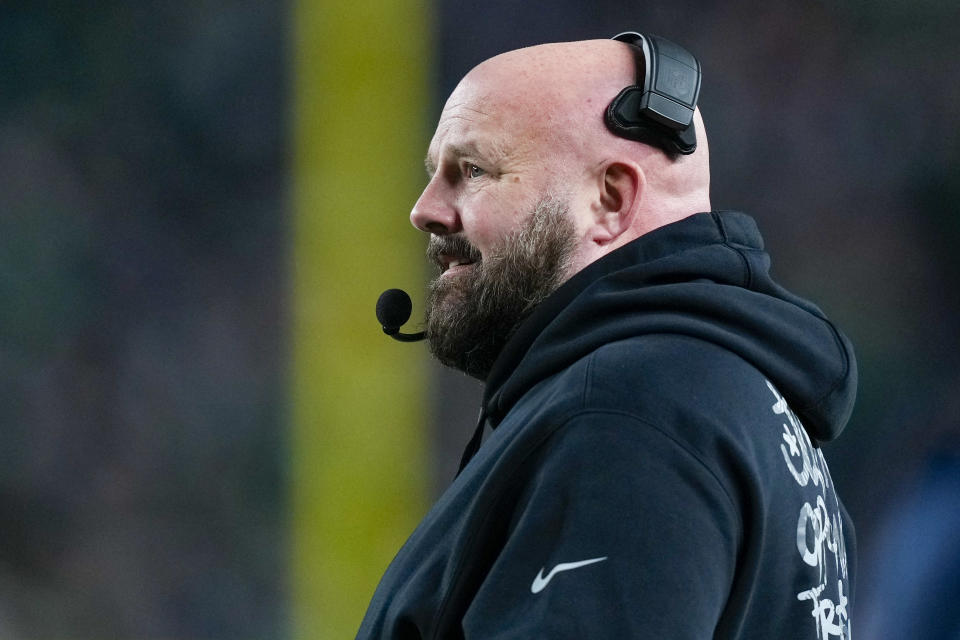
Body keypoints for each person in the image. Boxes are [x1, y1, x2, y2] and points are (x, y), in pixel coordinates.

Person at [359, 33, 857, 639]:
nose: (426, 208)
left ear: (609, 198)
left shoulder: (628, 410)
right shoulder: (728, 399)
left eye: (473, 170)